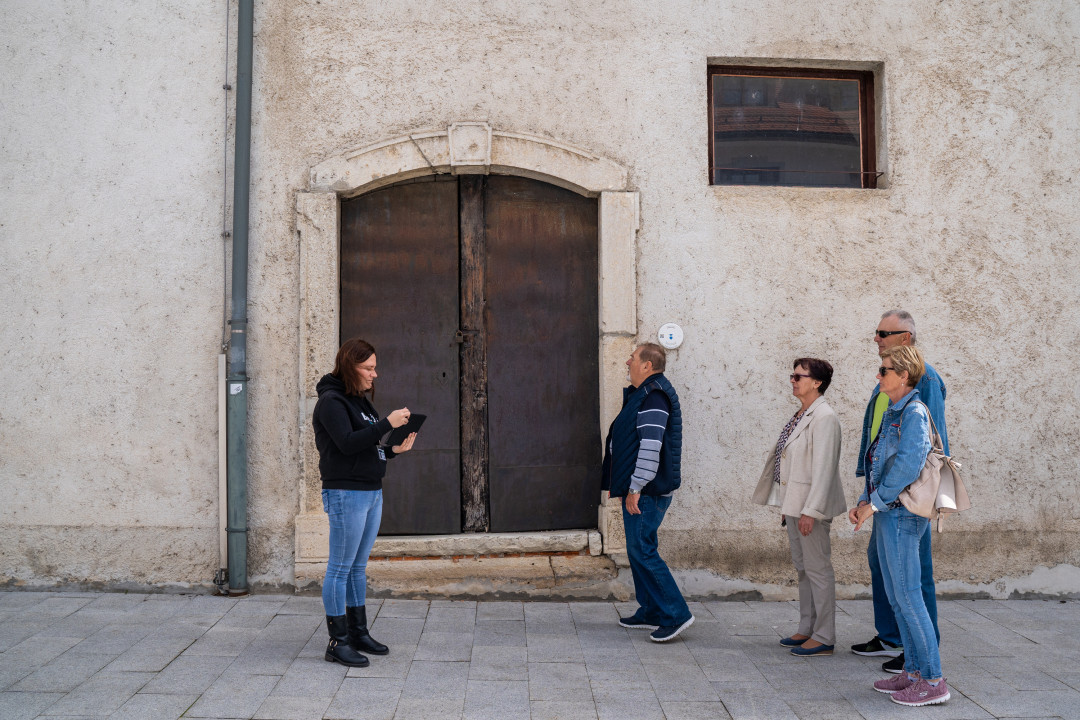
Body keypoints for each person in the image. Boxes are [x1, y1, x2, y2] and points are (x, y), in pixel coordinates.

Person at [850, 346, 950, 706]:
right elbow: (877, 461)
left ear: (903, 375)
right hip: (888, 511)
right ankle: (913, 671)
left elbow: (908, 466)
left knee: (909, 597)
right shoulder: (895, 410)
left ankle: (934, 681)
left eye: (884, 369)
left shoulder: (914, 413)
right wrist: (867, 500)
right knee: (897, 596)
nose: (879, 375)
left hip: (903, 515)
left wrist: (874, 503)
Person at [313, 338, 417, 668]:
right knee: (340, 568)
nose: (375, 374)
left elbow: (368, 447)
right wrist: (387, 423)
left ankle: (358, 633)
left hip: (371, 491)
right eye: (369, 368)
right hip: (346, 493)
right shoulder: (332, 402)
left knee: (357, 567)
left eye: (375, 368)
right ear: (350, 366)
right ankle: (337, 641)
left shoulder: (359, 402)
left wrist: (392, 451)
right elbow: (345, 444)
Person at [753, 358, 846, 657]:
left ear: (816, 382)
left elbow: (824, 469)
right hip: (795, 506)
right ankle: (807, 627)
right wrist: (786, 503)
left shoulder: (825, 417)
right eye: (791, 375)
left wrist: (811, 510)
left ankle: (825, 636)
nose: (792, 380)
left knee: (818, 570)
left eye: (798, 376)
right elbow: (791, 463)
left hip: (811, 508)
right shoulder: (801, 414)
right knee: (804, 569)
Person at [602, 343, 694, 642]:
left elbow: (651, 447)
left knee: (643, 550)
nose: (627, 361)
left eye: (633, 357)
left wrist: (635, 487)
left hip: (647, 490)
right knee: (638, 548)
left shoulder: (654, 396)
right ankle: (652, 610)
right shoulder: (643, 394)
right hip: (643, 489)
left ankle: (676, 614)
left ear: (647, 366)